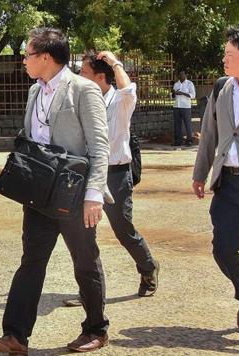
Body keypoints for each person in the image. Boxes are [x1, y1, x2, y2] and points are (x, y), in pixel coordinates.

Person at [0, 27, 112, 354]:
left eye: (27, 54)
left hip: (75, 194)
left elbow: (99, 146)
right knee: (32, 261)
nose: (23, 60)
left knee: (84, 261)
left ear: (45, 57)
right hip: (39, 195)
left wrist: (94, 194)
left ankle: (96, 328)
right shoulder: (33, 92)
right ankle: (15, 336)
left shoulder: (83, 89)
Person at [192, 22, 239, 346]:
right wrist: (200, 172)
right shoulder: (222, 88)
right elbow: (209, 134)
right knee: (223, 249)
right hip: (230, 185)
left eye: (230, 54)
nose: (224, 59)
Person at [76, 50, 160, 298]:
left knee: (123, 229)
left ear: (101, 77)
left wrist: (114, 62)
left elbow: (128, 90)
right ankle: (90, 291)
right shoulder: (84, 100)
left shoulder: (120, 102)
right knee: (83, 233)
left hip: (116, 174)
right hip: (89, 173)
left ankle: (148, 267)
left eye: (84, 72)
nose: (79, 76)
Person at [172, 70, 196, 146]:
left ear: (186, 75)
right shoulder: (176, 84)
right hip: (177, 106)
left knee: (187, 124)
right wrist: (173, 93)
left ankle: (189, 140)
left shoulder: (189, 84)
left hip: (186, 107)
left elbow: (193, 95)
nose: (181, 75)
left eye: (182, 74)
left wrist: (182, 93)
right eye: (180, 74)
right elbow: (172, 96)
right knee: (177, 124)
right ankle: (178, 140)